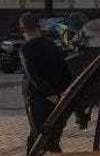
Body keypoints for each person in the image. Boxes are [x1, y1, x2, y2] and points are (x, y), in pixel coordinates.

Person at [18, 12, 72, 147]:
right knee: (47, 134)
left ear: (23, 29)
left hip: (38, 98)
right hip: (58, 98)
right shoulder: (52, 46)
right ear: (38, 27)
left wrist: (49, 94)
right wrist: (61, 92)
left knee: (41, 138)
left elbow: (33, 75)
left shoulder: (27, 49)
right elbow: (65, 69)